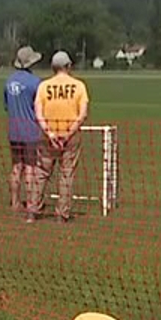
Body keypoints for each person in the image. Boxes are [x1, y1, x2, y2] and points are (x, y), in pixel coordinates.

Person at [34, 50, 90, 220]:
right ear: (68, 66)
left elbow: (38, 113)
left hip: (47, 136)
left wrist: (49, 133)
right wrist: (67, 133)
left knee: (41, 173)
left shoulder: (43, 86)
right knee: (66, 174)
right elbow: (82, 114)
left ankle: (33, 209)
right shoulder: (79, 86)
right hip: (70, 136)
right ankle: (61, 213)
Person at [3, 46, 44, 219]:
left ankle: (14, 201)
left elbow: (6, 106)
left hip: (14, 129)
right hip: (30, 130)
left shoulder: (8, 81)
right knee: (30, 166)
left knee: (16, 166)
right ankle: (30, 202)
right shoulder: (35, 82)